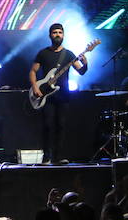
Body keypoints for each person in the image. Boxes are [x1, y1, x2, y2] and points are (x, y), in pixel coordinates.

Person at [29, 23, 88, 163]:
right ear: (50, 35)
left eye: (60, 32)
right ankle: (46, 156)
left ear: (63, 35)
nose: (57, 35)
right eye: (55, 32)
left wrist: (85, 63)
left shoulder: (69, 54)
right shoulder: (43, 53)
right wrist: (35, 87)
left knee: (61, 126)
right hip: (46, 95)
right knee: (47, 125)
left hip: (63, 95)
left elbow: (81, 71)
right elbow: (33, 71)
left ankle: (58, 156)